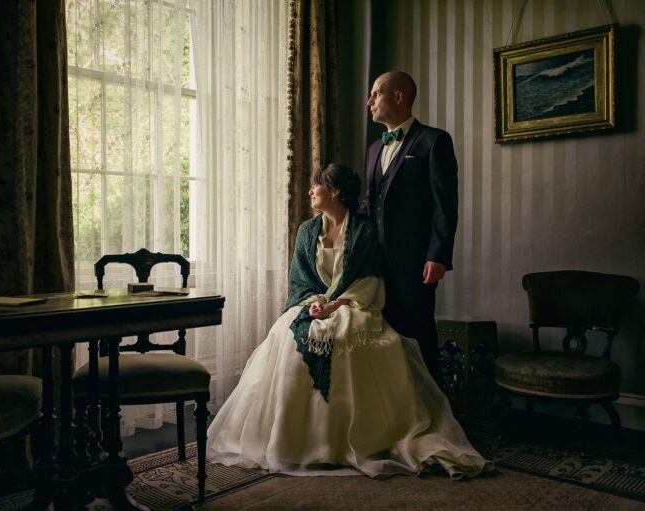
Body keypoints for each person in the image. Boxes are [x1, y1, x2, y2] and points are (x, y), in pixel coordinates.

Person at [207, 163, 491, 479]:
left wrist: (338, 305)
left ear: (336, 191)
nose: (311, 190)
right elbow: (299, 280)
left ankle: (349, 440)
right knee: (289, 341)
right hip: (310, 306)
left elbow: (370, 278)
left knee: (347, 340)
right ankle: (296, 442)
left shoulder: (365, 230)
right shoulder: (306, 231)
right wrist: (315, 305)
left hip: (353, 305)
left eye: (317, 185)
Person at [359, 70, 459, 384]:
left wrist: (438, 255)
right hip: (376, 262)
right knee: (384, 336)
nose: (369, 101)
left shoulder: (433, 140)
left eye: (376, 93)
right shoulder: (375, 149)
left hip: (415, 262)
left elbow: (445, 203)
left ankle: (433, 407)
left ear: (398, 96)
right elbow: (369, 203)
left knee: (418, 335)